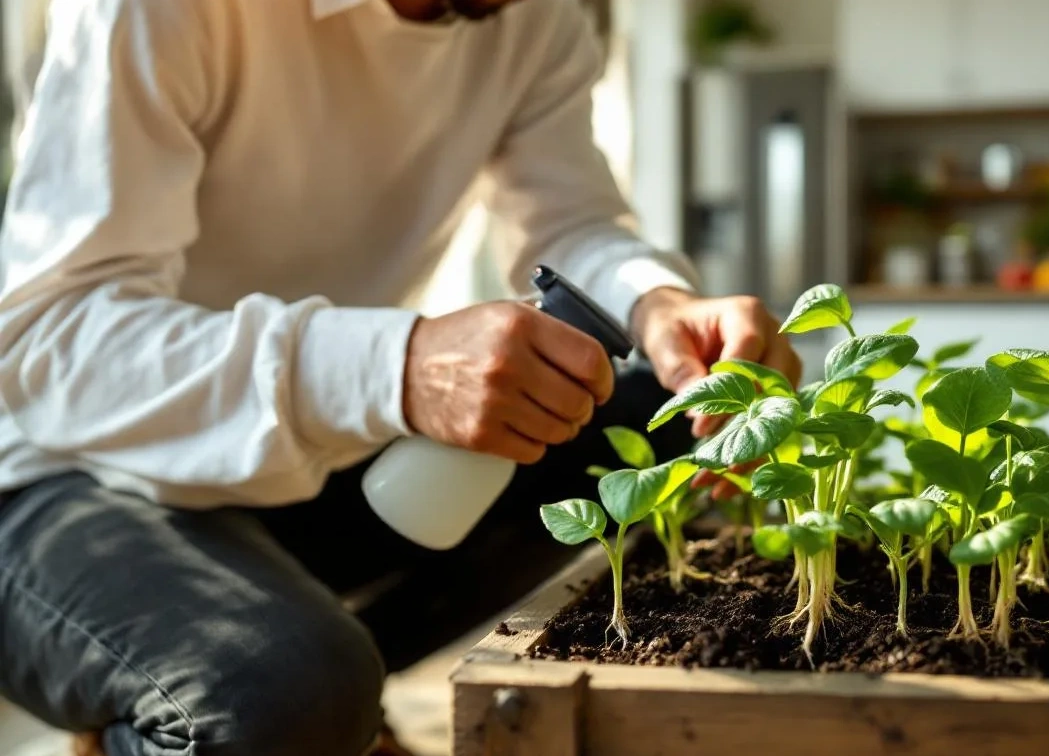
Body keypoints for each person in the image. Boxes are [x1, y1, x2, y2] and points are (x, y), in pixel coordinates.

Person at [0, 0, 802, 754]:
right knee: (279, 691)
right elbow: (48, 341)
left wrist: (659, 305)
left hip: (292, 461)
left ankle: (320, 691)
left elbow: (572, 224)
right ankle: (259, 693)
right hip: (61, 476)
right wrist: (396, 365)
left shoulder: (530, 20)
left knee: (657, 413)